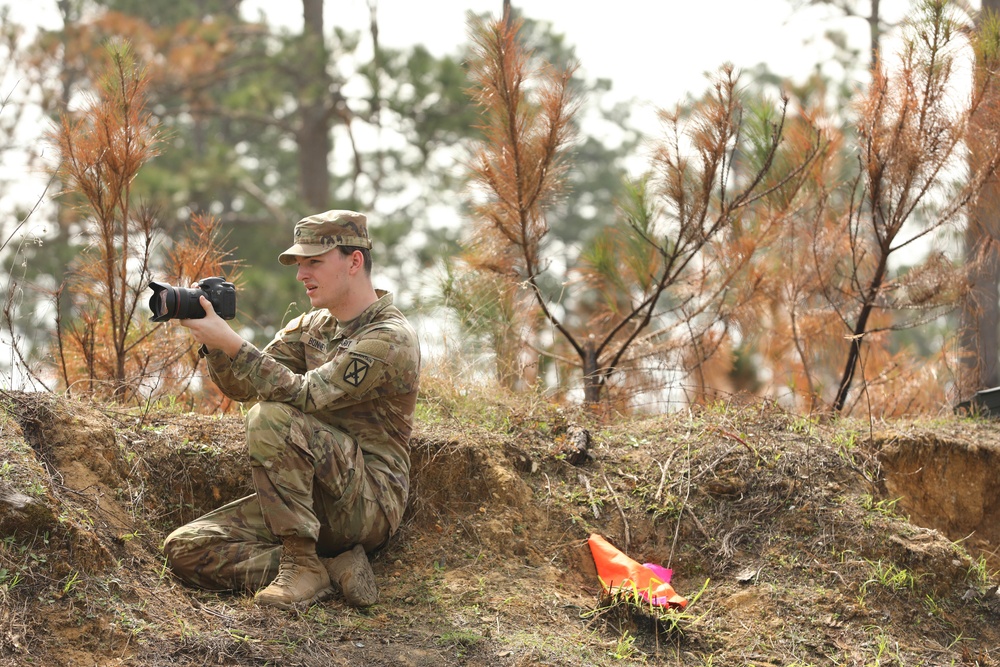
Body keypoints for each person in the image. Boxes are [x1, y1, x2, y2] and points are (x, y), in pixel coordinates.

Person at [163, 209, 421, 610]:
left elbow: (303, 395)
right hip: (308, 495)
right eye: (299, 264)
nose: (301, 274)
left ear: (354, 261)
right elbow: (245, 386)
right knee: (186, 548)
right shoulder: (312, 326)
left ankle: (302, 564)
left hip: (367, 502)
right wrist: (216, 345)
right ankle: (329, 568)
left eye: (314, 262)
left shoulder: (389, 338)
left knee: (271, 417)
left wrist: (234, 344)